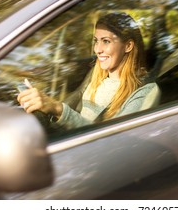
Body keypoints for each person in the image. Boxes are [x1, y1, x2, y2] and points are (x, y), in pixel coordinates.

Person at [17, 12, 161, 129]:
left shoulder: (145, 92)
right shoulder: (96, 74)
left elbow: (115, 142)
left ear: (128, 46)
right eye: (96, 41)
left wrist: (57, 108)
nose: (97, 50)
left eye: (106, 41)